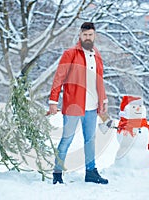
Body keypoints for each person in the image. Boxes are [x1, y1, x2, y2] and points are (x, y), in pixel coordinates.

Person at [48, 22, 109, 184]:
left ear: (94, 36)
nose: (87, 37)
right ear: (80, 35)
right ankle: (57, 173)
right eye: (85, 34)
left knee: (90, 140)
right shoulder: (70, 54)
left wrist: (103, 101)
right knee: (66, 139)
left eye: (90, 35)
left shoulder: (97, 55)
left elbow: (99, 80)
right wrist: (53, 101)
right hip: (73, 105)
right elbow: (58, 78)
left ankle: (91, 172)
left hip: (92, 106)